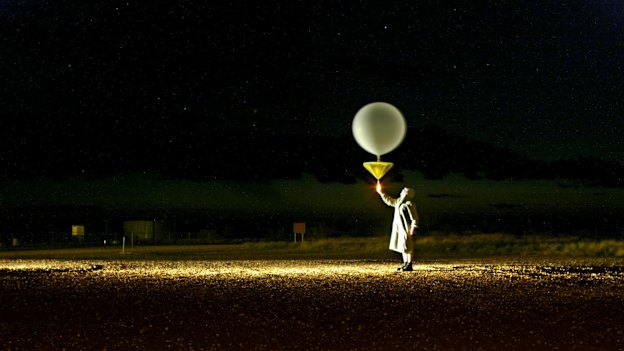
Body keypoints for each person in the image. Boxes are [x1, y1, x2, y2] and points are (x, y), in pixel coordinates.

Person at [377, 185, 418, 271]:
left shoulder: (409, 204)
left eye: (404, 191)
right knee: (403, 245)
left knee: (408, 246)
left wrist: (414, 226)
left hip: (406, 228)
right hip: (399, 227)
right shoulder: (399, 202)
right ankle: (405, 263)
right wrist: (381, 193)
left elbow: (414, 217)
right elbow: (389, 201)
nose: (401, 191)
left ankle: (409, 264)